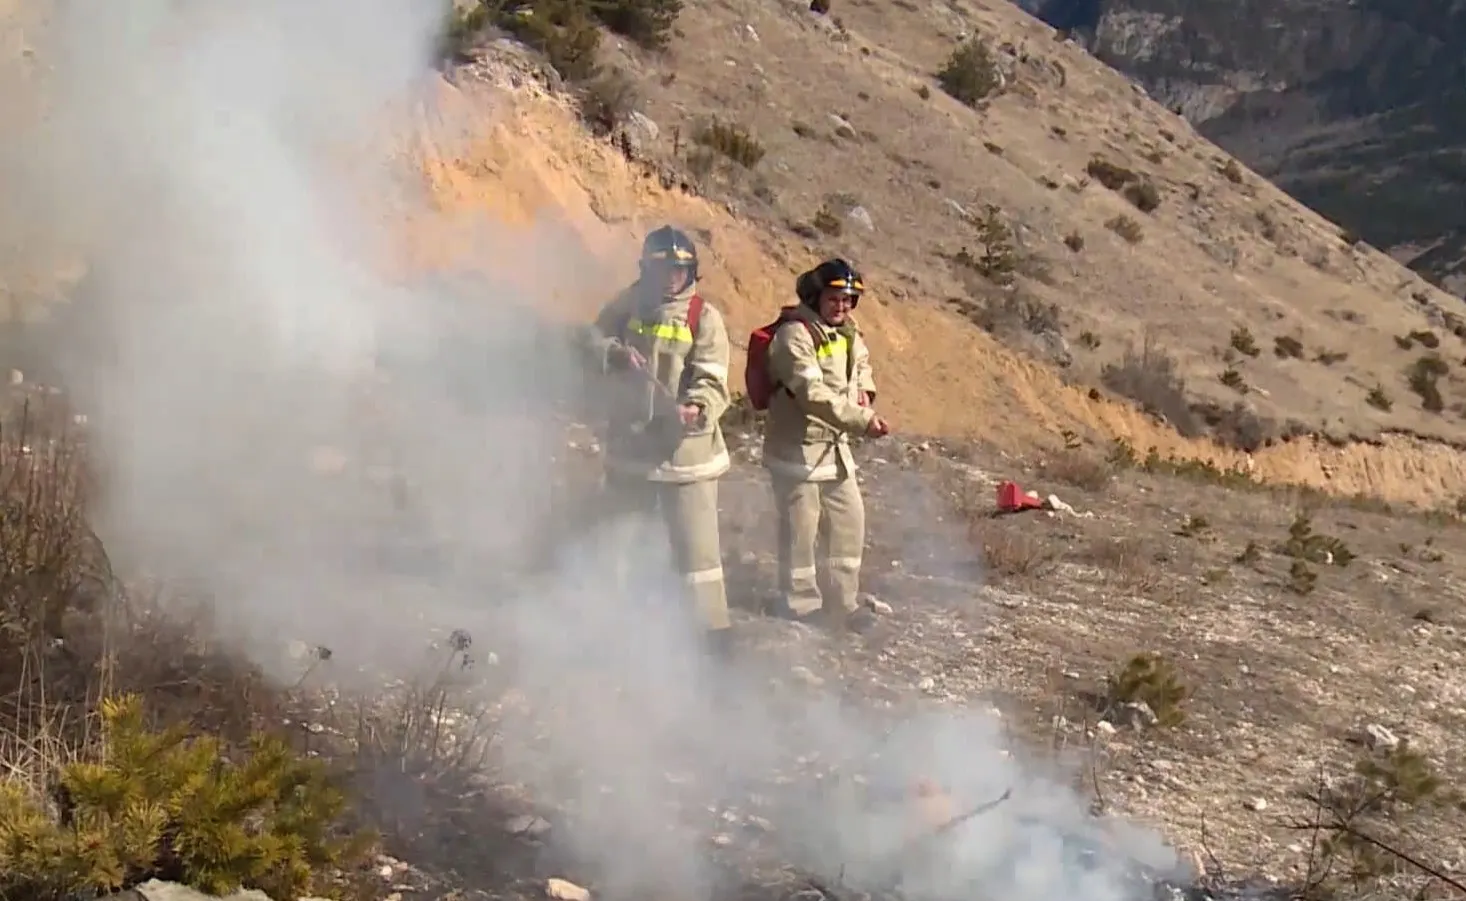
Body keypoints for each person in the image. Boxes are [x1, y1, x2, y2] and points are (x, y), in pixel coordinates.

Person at [580, 225, 735, 653]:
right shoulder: (628, 303)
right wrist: (612, 352)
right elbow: (590, 337)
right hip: (632, 448)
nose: (670, 278)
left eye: (679, 271)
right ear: (647, 268)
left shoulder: (703, 316)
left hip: (687, 456)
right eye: (662, 269)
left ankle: (711, 639)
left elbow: (712, 378)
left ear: (691, 274)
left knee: (697, 554)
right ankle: (610, 630)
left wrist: (697, 407)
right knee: (618, 541)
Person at [761, 258, 889, 633]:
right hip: (796, 452)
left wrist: (865, 392)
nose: (843, 306)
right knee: (801, 532)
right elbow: (811, 393)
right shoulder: (794, 336)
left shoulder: (849, 332)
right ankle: (799, 606)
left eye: (849, 299)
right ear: (816, 297)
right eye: (835, 298)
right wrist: (862, 419)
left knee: (849, 523)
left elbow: (861, 366)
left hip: (834, 450)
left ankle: (844, 604)